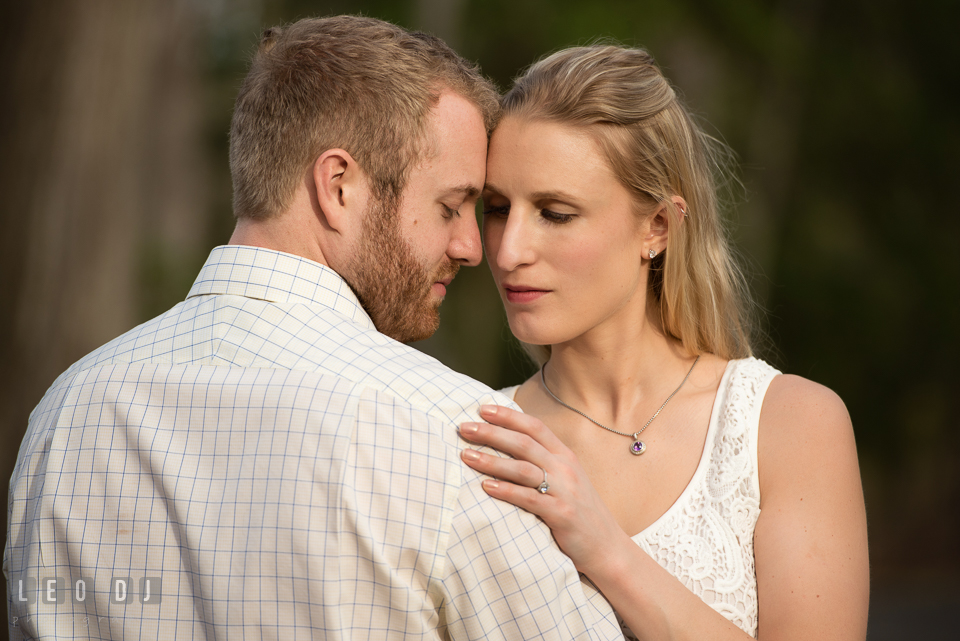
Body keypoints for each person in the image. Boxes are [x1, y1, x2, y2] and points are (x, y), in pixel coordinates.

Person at [4, 18, 625, 640]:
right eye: (449, 206)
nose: (471, 246)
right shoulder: (453, 427)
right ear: (338, 187)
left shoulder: (68, 411)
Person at [458, 45, 870, 640]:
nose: (507, 249)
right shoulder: (479, 438)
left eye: (554, 212)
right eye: (497, 208)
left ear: (657, 226)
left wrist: (604, 549)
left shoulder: (788, 426)